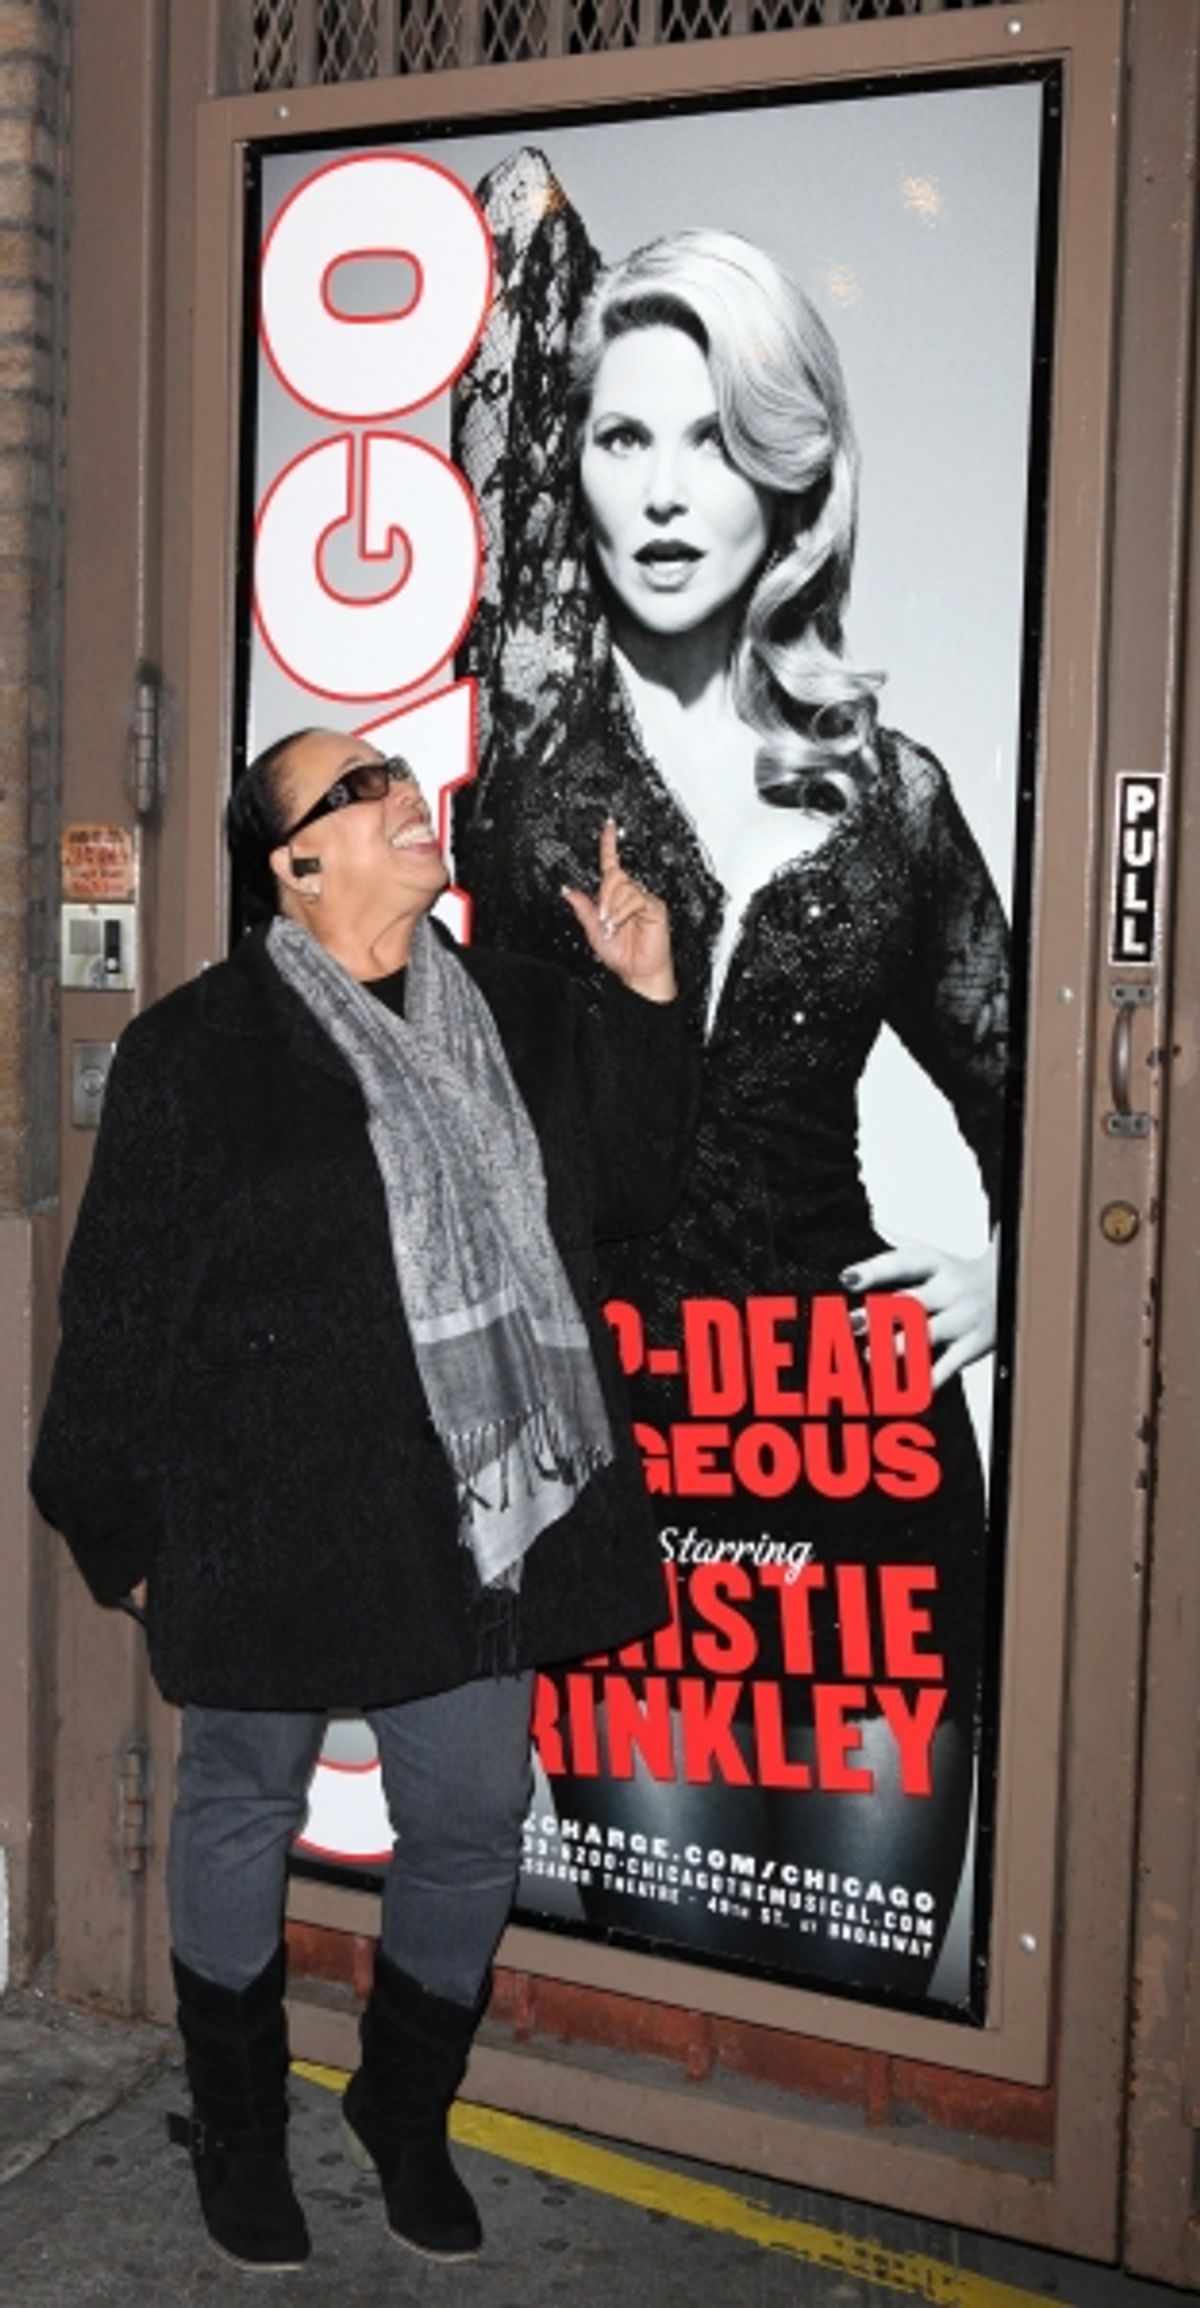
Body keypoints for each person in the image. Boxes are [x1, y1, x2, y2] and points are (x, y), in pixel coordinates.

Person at [453, 150, 1010, 2000]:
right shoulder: (530, 783)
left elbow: (1058, 1114)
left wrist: (1009, 1279)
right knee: (678, 1948)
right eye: (623, 438)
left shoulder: (895, 797)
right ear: (578, 472)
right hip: (637, 1455)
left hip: (862, 1457)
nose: (669, 486)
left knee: (858, 1960)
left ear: (790, 468)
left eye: (716, 434)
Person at [30, 727, 694, 2271]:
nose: (404, 793)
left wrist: (649, 999)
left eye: (401, 770)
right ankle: (242, 2129)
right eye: (358, 787)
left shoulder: (522, 1012)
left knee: (469, 1818)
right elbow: (118, 1313)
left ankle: (403, 2111)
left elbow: (639, 1199)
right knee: (240, 1803)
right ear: (294, 865)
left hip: (475, 1521)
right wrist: (125, 1541)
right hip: (263, 1518)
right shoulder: (199, 1050)